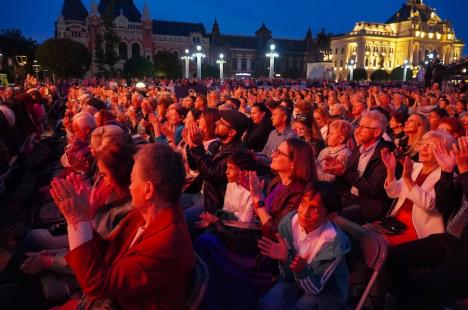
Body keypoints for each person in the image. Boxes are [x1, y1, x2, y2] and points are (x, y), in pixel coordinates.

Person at [50, 143, 194, 309]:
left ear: (148, 190)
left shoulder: (166, 242)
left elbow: (98, 285)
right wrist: (85, 217)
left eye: (132, 180)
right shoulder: (143, 216)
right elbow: (109, 251)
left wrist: (76, 219)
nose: (130, 187)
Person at [194, 138, 316, 310]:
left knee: (206, 243)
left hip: (266, 255)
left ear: (294, 164)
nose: (273, 154)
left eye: (279, 153)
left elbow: (277, 233)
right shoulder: (277, 182)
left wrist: (258, 200)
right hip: (254, 237)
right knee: (205, 236)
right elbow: (259, 217)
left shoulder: (298, 194)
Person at [387, 136, 468, 309]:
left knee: (429, 283)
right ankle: (408, 303)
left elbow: (431, 207)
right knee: (394, 256)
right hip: (451, 238)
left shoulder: (464, 171)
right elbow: (443, 204)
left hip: (465, 247)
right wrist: (447, 171)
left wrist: (463, 170)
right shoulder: (457, 172)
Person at [258, 182, 351, 310]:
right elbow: (287, 277)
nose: (304, 213)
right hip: (295, 282)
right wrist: (285, 260)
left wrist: (301, 271)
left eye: (315, 209)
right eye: (303, 203)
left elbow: (315, 290)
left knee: (302, 306)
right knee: (272, 301)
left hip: (325, 291)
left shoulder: (333, 243)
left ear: (330, 216)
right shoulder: (288, 225)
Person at [381, 131, 455, 246]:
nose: (423, 148)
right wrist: (390, 170)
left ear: (444, 152)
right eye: (422, 143)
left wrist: (408, 180)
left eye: (430, 146)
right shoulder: (415, 166)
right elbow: (393, 193)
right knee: (362, 236)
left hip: (419, 229)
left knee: (378, 247)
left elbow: (430, 206)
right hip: (395, 222)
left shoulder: (448, 176)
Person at [325, 111, 394, 223]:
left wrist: (345, 172)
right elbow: (348, 179)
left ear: (376, 132)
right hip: (349, 197)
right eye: (358, 126)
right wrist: (338, 172)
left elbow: (374, 189)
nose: (358, 130)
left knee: (329, 219)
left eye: (363, 127)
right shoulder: (359, 149)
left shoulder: (385, 153)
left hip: (366, 206)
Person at [186, 109, 248, 213]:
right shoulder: (217, 145)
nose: (216, 123)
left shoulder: (236, 154)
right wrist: (191, 146)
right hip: (203, 195)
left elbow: (211, 174)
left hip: (215, 206)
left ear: (231, 132)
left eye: (221, 122)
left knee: (182, 218)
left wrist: (197, 147)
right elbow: (196, 167)